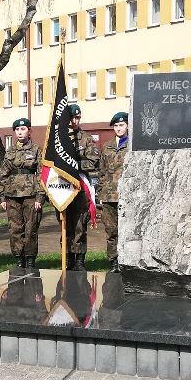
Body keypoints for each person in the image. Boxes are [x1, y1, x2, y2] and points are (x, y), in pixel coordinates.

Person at [0, 117, 45, 268]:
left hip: (31, 195)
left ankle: (30, 260)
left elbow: (42, 174)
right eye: (17, 129)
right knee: (15, 229)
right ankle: (18, 259)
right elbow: (3, 174)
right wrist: (2, 196)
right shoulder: (10, 151)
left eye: (23, 129)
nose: (19, 132)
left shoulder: (36, 149)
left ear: (29, 131)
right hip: (12, 196)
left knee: (31, 229)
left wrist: (40, 197)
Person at [63, 104, 100, 270]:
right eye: (71, 118)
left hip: (80, 187)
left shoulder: (86, 138)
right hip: (62, 188)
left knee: (80, 224)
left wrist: (74, 165)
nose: (74, 121)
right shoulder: (59, 140)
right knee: (65, 225)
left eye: (77, 118)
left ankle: (79, 260)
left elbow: (93, 161)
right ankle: (68, 258)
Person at [98, 112, 128, 272]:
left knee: (127, 230)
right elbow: (101, 172)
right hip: (109, 195)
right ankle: (113, 262)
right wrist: (100, 193)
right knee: (111, 230)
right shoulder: (107, 146)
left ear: (127, 125)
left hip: (127, 196)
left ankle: (127, 260)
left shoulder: (132, 145)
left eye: (121, 125)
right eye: (116, 126)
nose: (118, 128)